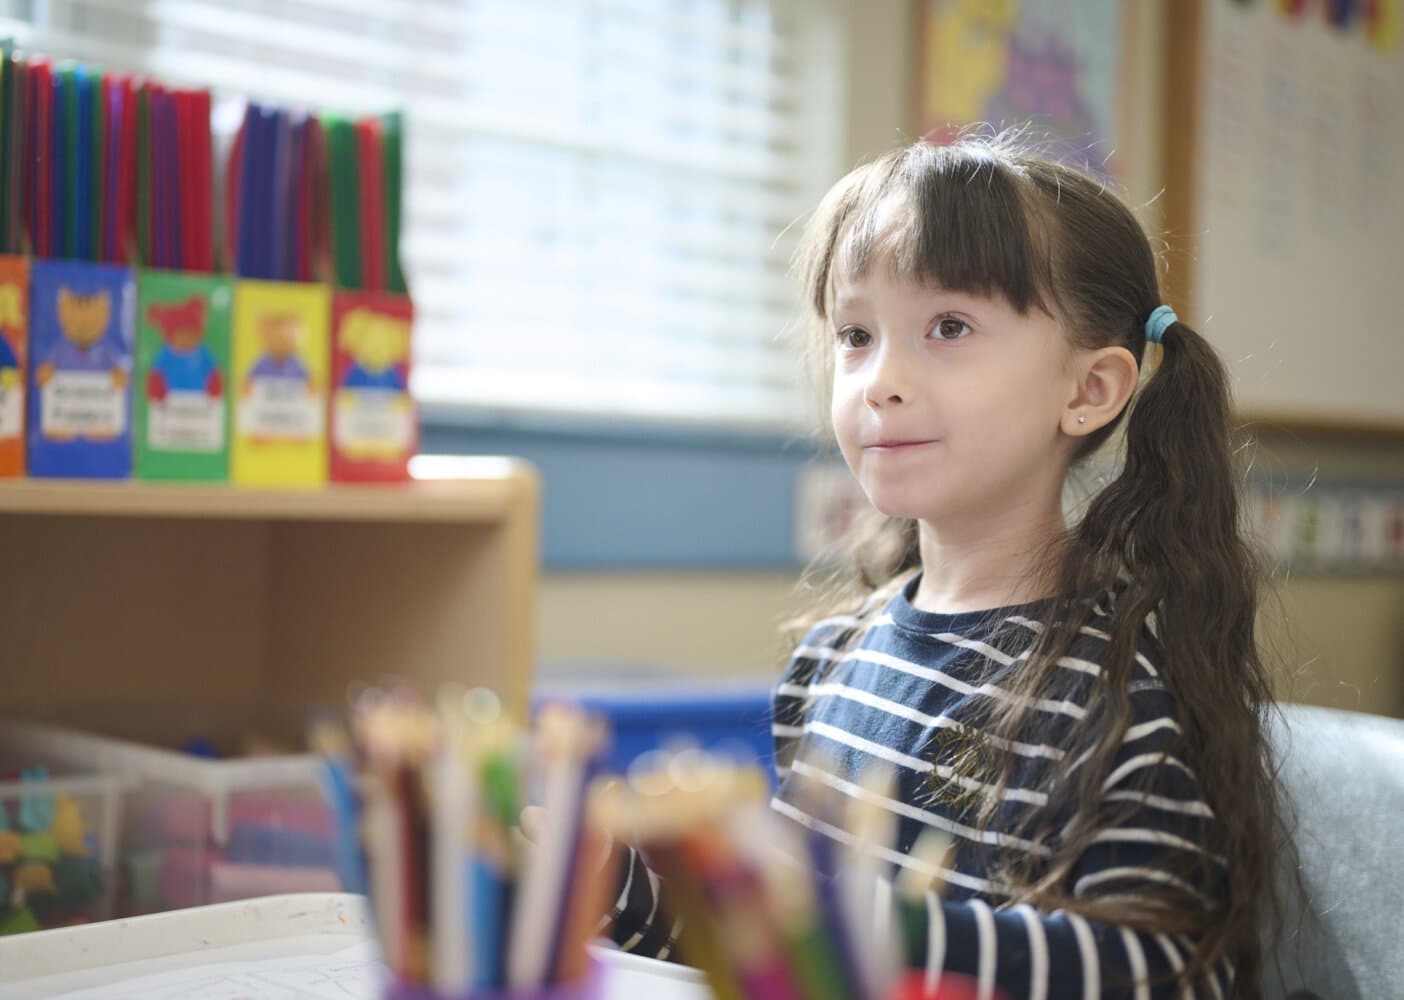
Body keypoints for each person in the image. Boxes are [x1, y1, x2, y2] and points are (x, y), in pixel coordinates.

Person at [530, 133, 1283, 999]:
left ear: (1089, 391)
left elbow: (1165, 971)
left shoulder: (1117, 693)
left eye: (949, 327)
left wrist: (860, 924)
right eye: (856, 334)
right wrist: (627, 890)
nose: (879, 379)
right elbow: (794, 956)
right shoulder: (831, 662)